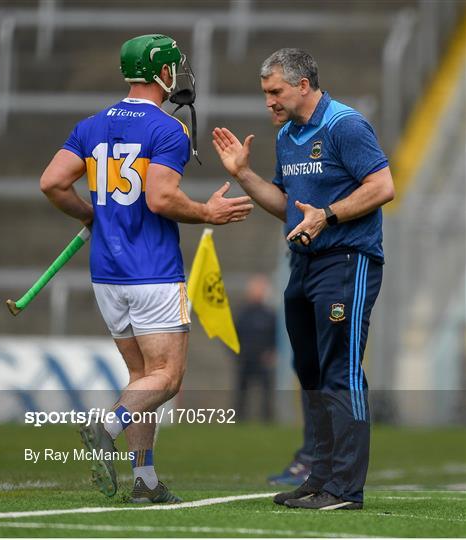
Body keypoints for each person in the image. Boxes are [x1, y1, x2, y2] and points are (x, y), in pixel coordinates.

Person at [40, 34, 253, 503]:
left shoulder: (92, 124)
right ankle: (107, 424)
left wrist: (88, 214)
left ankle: (145, 481)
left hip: (107, 275)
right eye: (173, 67)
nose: (178, 74)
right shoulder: (167, 129)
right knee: (168, 379)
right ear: (161, 73)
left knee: (143, 379)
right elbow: (160, 197)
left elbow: (53, 182)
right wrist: (207, 212)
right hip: (152, 270)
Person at [213, 48, 394, 510]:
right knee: (309, 372)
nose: (268, 102)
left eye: (275, 92)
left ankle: (344, 490)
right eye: (265, 94)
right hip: (303, 264)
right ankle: (320, 476)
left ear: (303, 85)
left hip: (346, 261)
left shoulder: (344, 125)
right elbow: (286, 206)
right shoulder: (289, 134)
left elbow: (382, 186)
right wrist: (244, 175)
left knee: (341, 371)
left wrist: (327, 217)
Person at [233, 274, 276, 422]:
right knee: (242, 392)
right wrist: (237, 354)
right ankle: (240, 420)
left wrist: (272, 352)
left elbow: (275, 337)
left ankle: (267, 420)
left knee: (266, 392)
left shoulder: (270, 315)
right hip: (245, 359)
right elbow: (233, 335)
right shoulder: (242, 314)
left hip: (263, 360)